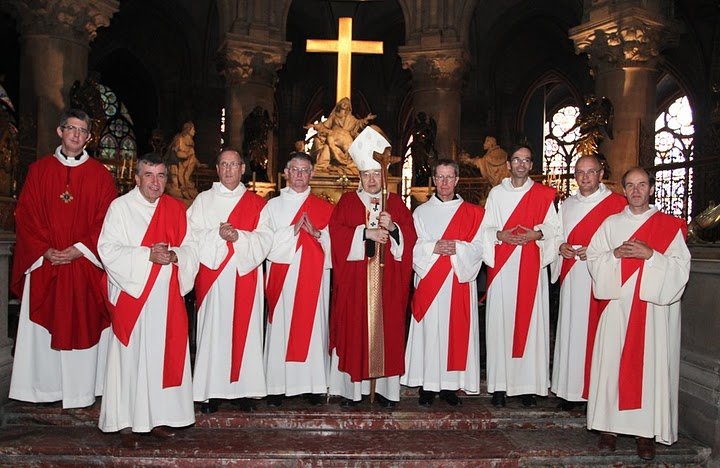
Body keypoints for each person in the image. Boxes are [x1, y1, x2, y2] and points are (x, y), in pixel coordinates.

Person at [10, 108, 117, 409]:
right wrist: (44, 249)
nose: (76, 135)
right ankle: (42, 389)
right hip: (46, 263)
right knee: (44, 324)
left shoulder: (100, 176)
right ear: (60, 131)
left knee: (84, 322)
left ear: (89, 137)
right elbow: (26, 216)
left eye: (83, 131)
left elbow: (108, 221)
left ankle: (83, 391)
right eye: (71, 128)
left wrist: (80, 249)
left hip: (83, 264)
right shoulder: (39, 170)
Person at [586, 167, 690, 461]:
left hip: (652, 312)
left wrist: (651, 256)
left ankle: (646, 434)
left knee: (649, 369)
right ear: (624, 190)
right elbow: (594, 259)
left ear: (652, 188)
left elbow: (681, 269)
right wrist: (614, 256)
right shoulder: (610, 224)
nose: (635, 190)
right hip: (617, 307)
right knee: (610, 367)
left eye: (642, 185)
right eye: (630, 185)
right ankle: (608, 429)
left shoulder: (669, 226)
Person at [98, 153, 198, 436]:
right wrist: (147, 256)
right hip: (133, 296)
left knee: (160, 357)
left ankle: (158, 418)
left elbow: (192, 249)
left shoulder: (176, 209)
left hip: (166, 297)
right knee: (131, 359)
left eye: (161, 176)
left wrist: (177, 255)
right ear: (137, 178)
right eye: (149, 176)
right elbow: (107, 249)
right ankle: (127, 422)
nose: (155, 183)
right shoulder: (120, 208)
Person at [328, 126, 416, 408]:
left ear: (383, 176)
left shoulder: (396, 204)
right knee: (355, 330)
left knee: (387, 331)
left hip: (387, 284)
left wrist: (394, 229)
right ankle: (354, 392)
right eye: (366, 174)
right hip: (356, 285)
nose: (371, 179)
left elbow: (410, 241)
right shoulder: (347, 202)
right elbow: (336, 235)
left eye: (375, 174)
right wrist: (364, 234)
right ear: (360, 176)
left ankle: (387, 392)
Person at [188, 148, 272, 413]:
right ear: (217, 168)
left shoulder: (257, 203)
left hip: (244, 273)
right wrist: (218, 235)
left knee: (245, 333)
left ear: (242, 169)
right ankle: (211, 391)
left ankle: (244, 390)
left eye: (233, 165)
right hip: (214, 277)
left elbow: (266, 238)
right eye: (223, 165)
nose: (228, 170)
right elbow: (190, 235)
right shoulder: (202, 200)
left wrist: (240, 238)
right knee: (214, 333)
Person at [479, 143, 561, 408]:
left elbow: (554, 229)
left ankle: (527, 387)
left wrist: (536, 234)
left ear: (532, 165)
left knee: (531, 326)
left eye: (526, 160)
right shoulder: (496, 194)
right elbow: (485, 228)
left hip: (530, 265)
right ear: (509, 164)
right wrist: (499, 235)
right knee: (500, 325)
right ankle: (500, 386)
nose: (521, 164)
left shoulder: (543, 195)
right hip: (503, 267)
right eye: (517, 160)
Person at [402, 159, 485, 406]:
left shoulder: (473, 213)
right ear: (434, 180)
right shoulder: (420, 212)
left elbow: (480, 248)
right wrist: (433, 247)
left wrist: (458, 247)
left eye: (450, 177)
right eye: (440, 177)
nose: (445, 182)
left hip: (458, 280)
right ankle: (427, 386)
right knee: (429, 333)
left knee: (453, 334)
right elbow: (412, 247)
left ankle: (449, 387)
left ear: (457, 180)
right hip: (430, 283)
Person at [550, 155, 626, 411]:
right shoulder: (567, 205)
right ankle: (569, 390)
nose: (584, 177)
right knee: (571, 331)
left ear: (601, 174)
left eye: (590, 172)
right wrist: (561, 247)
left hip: (600, 278)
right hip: (572, 276)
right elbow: (557, 234)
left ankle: (594, 392)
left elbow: (623, 240)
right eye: (579, 172)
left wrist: (595, 252)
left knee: (596, 333)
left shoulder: (616, 204)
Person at [262, 152, 334, 407]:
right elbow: (264, 243)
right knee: (282, 325)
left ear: (312, 173)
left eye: (305, 170)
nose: (300, 175)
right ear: (286, 173)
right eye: (295, 170)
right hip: (283, 277)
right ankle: (277, 386)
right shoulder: (271, 206)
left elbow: (335, 247)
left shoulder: (325, 207)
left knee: (313, 327)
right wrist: (292, 231)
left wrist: (316, 233)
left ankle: (312, 385)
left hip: (314, 278)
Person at [307, 97, 375, 174]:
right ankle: (323, 166)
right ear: (339, 105)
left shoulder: (351, 118)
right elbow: (324, 126)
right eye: (343, 102)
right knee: (326, 147)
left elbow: (358, 123)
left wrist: (366, 119)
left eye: (346, 103)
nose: (344, 104)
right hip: (334, 136)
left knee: (350, 151)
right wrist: (314, 126)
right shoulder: (334, 116)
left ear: (349, 107)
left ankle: (348, 163)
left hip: (346, 139)